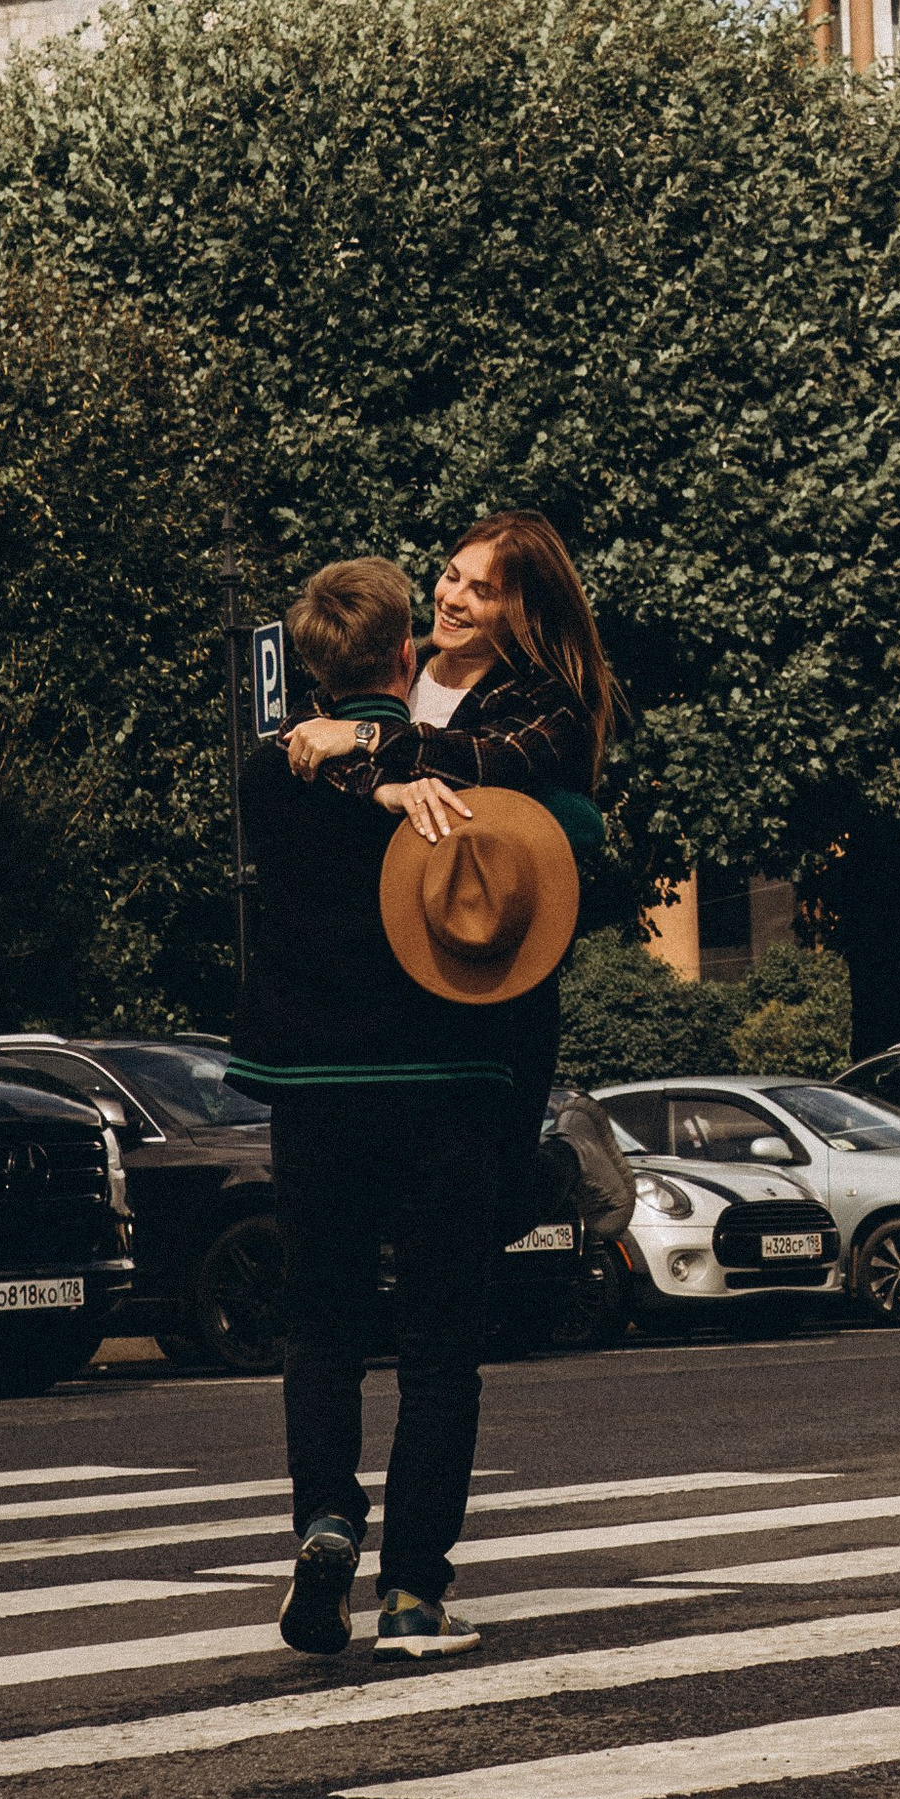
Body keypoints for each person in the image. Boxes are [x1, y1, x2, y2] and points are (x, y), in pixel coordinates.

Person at [234, 556, 577, 1667]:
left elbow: (283, 765)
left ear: (312, 673)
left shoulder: (266, 781)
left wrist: (359, 771)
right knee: (439, 1353)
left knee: (320, 1327)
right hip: (445, 1091)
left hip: (313, 1096)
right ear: (403, 659)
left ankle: (325, 1519)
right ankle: (416, 1594)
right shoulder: (468, 798)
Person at [288, 513, 618, 1157]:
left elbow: (490, 761)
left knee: (495, 1193)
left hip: (493, 972)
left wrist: (363, 737)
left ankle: (569, 1164)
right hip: (387, 983)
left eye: (482, 591)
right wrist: (375, 784)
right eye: (450, 575)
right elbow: (299, 734)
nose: (452, 597)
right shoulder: (395, 659)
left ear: (523, 611)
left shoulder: (550, 699)